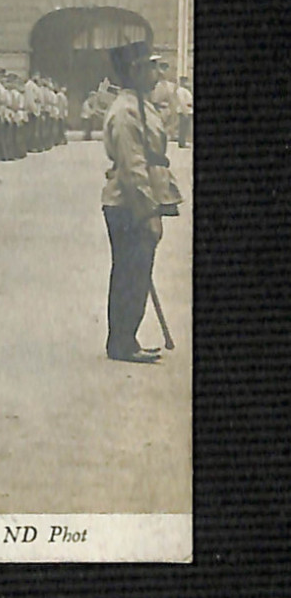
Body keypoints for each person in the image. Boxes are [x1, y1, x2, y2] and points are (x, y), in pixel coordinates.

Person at [100, 40, 183, 364]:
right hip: (128, 204)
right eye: (151, 65)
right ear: (134, 70)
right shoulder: (125, 111)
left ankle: (126, 338)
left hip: (135, 201)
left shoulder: (140, 103)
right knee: (130, 274)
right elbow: (134, 168)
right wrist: (148, 212)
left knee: (136, 272)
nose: (156, 71)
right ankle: (121, 343)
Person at [176, 76, 193, 148]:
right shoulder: (180, 90)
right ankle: (182, 142)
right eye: (184, 81)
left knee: (185, 128)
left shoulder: (186, 90)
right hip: (184, 111)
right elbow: (182, 101)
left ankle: (183, 141)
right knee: (183, 128)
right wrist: (185, 111)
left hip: (188, 110)